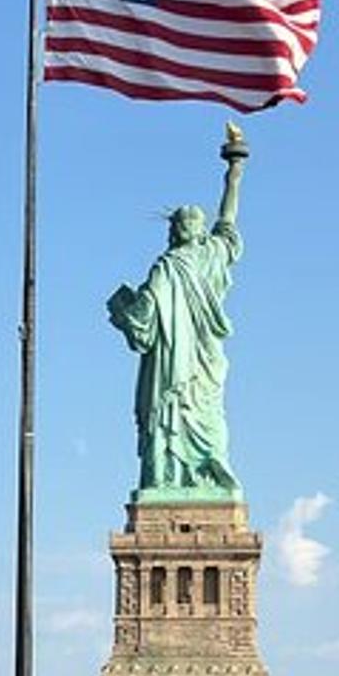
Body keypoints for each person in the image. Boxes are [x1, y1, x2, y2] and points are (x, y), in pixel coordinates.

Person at [106, 124, 250, 497]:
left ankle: (209, 472)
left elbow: (229, 221)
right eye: (182, 221)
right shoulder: (165, 267)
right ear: (174, 230)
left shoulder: (210, 256)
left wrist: (234, 174)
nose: (188, 225)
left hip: (201, 358)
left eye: (193, 221)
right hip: (169, 361)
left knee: (207, 417)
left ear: (201, 230)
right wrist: (127, 310)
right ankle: (163, 477)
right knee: (168, 413)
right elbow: (144, 321)